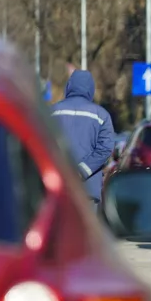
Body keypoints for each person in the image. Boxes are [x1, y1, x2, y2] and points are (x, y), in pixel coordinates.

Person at [52, 69, 115, 211]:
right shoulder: (102, 116)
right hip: (88, 188)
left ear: (69, 87)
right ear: (91, 89)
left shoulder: (52, 112)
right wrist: (82, 171)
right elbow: (105, 149)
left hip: (59, 185)